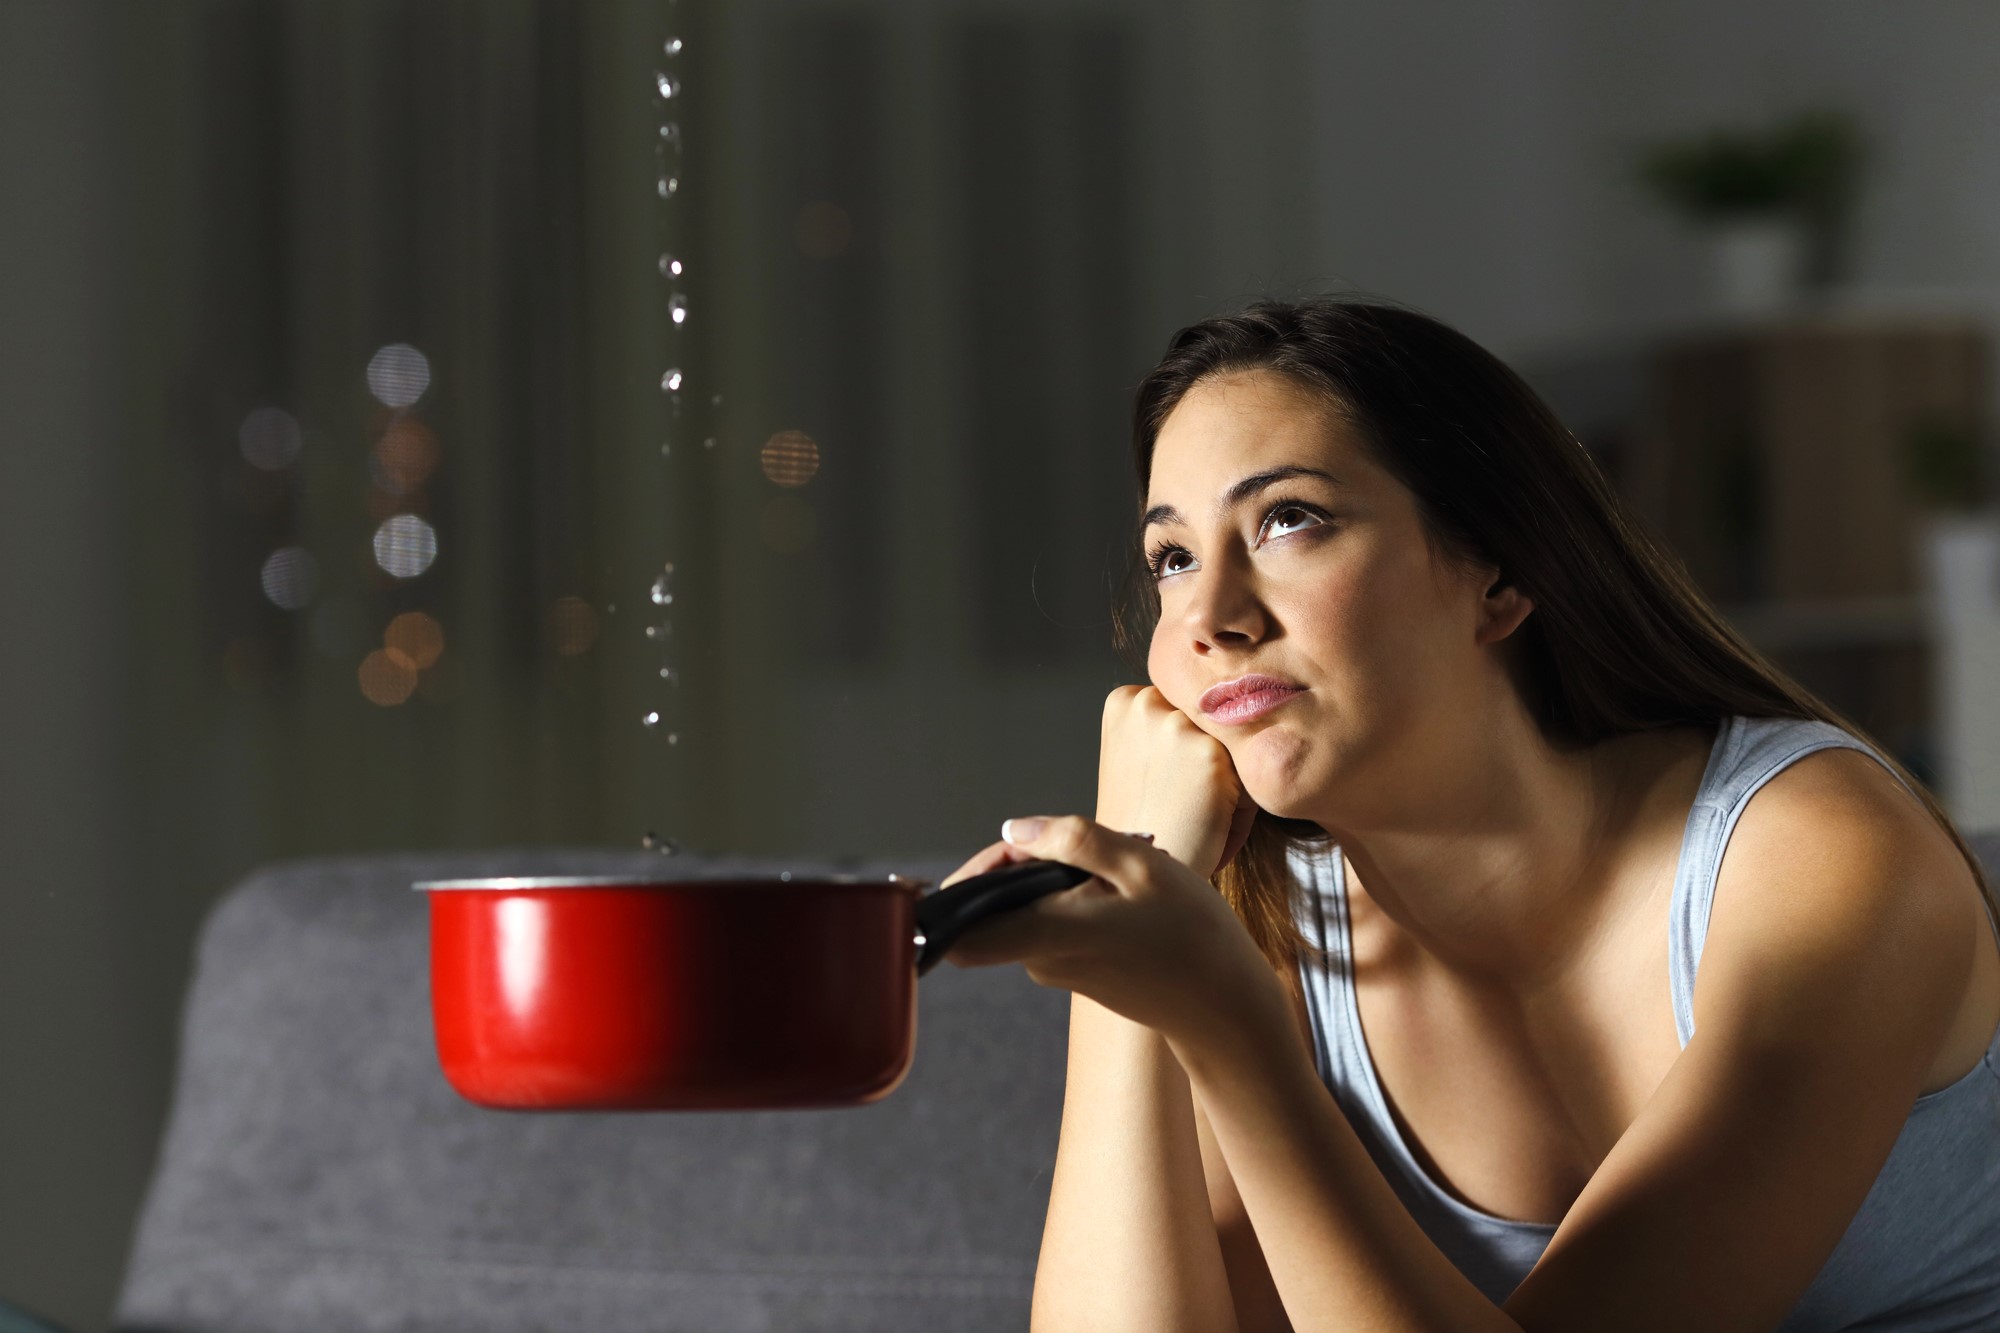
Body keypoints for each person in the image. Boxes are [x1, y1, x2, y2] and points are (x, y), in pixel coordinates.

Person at [940, 298, 2000, 1332]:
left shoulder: (1820, 859)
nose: (1210, 617)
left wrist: (1226, 1029)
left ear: (1498, 576)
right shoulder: (1257, 915)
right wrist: (1128, 933)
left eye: (1287, 520)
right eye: (1170, 557)